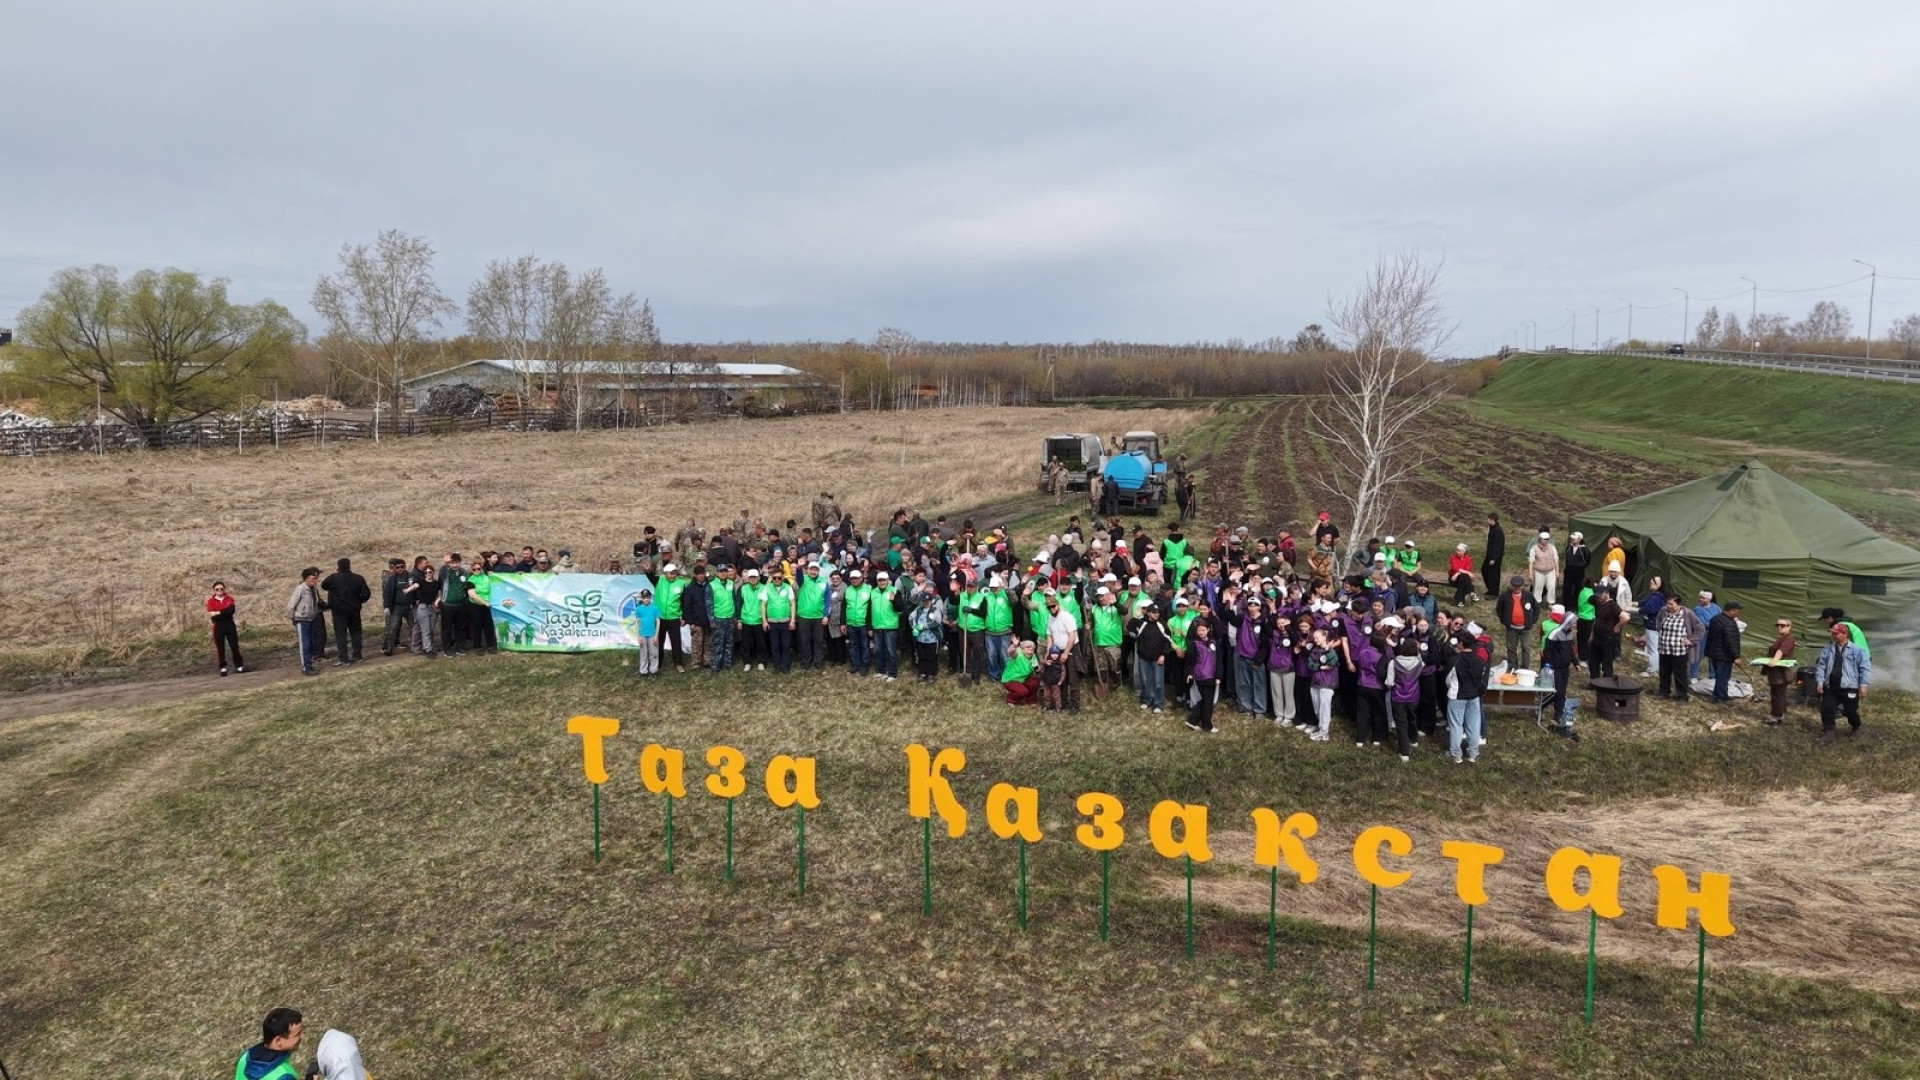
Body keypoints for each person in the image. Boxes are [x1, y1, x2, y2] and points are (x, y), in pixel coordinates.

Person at [1813, 622, 1871, 741]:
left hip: (1850, 686)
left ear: (1845, 634)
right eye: (1832, 634)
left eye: (1836, 634)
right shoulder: (1828, 649)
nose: (1833, 636)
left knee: (1850, 711)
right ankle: (1829, 733)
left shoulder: (1857, 650)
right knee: (1827, 709)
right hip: (1831, 686)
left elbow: (1865, 668)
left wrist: (1863, 685)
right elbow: (1821, 666)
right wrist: (1820, 681)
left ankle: (1856, 727)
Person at [1446, 624, 1489, 764]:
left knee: (1456, 725)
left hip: (1457, 696)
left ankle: (1456, 754)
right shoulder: (1479, 660)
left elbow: (1448, 680)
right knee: (1474, 726)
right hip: (1474, 696)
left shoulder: (1454, 660)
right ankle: (1472, 753)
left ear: (1461, 644)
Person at [236, 1006, 304, 1080]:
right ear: (278, 1041)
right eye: (297, 1034)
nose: (302, 1036)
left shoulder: (245, 1057)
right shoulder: (284, 1076)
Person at [1656, 596, 1696, 702]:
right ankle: (1664, 692)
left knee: (1680, 674)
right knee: (1664, 672)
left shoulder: (1687, 614)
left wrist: (1691, 640)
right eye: (1667, 603)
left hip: (1679, 650)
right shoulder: (1664, 612)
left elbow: (1699, 628)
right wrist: (1659, 630)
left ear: (1679, 604)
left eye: (1671, 604)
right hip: (1665, 648)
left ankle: (1682, 696)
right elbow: (1658, 622)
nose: (1668, 606)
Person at [1705, 600, 1745, 704]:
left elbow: (1710, 637)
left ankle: (1720, 695)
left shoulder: (1716, 618)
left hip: (1714, 653)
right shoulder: (1728, 623)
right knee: (1723, 677)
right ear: (1731, 611)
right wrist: (1736, 657)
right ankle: (1720, 698)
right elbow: (1731, 641)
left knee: (1719, 676)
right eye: (1737, 611)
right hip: (1724, 655)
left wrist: (1708, 651)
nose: (1738, 613)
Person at [287, 568, 325, 676]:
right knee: (305, 645)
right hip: (301, 620)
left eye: (316, 578)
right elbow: (291, 605)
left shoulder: (313, 589)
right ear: (306, 578)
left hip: (311, 619)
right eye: (313, 578)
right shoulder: (300, 589)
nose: (315, 580)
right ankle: (306, 668)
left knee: (311, 644)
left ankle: (309, 664)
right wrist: (293, 619)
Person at [1133, 601, 1170, 712]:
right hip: (1144, 657)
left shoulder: (1162, 623)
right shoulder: (1141, 623)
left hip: (1158, 657)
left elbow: (1167, 640)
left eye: (1157, 612)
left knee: (1158, 682)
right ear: (1148, 613)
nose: (1156, 614)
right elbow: (1130, 628)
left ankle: (1158, 703)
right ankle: (1146, 700)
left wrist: (1163, 654)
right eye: (1154, 612)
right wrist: (1136, 616)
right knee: (1145, 680)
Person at [1185, 618, 1220, 733]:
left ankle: (1194, 720)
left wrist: (1218, 676)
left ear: (1208, 630)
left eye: (1203, 630)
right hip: (1201, 675)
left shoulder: (1214, 642)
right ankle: (1206, 724)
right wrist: (1190, 673)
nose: (1201, 632)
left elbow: (1219, 660)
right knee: (1207, 701)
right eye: (1199, 630)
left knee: (1207, 700)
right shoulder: (1195, 644)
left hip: (1212, 675)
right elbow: (1190, 661)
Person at [1497, 576, 1538, 670]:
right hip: (1511, 628)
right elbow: (1499, 609)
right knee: (1511, 648)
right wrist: (1504, 621)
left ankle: (1525, 668)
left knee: (1526, 648)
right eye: (1515, 586)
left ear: (1522, 586)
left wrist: (1532, 620)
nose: (1517, 588)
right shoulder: (1505, 596)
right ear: (1512, 586)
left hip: (1525, 628)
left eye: (1519, 586)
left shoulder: (1528, 595)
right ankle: (1513, 667)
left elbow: (1537, 607)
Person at [1762, 618, 1797, 724]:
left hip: (1780, 672)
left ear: (1789, 627)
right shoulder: (1783, 637)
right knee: (1780, 693)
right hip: (1777, 671)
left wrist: (1774, 661)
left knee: (1777, 693)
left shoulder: (1789, 638)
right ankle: (1781, 715)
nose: (1779, 627)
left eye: (1783, 625)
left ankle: (1775, 717)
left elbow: (1781, 651)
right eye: (1778, 625)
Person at [707, 563, 739, 673]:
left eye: (725, 571)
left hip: (730, 617)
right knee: (717, 642)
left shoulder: (731, 583)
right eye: (721, 571)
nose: (723, 573)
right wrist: (711, 619)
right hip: (718, 618)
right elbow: (709, 603)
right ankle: (716, 664)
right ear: (717, 573)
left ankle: (727, 663)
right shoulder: (711, 585)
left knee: (729, 641)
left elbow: (734, 600)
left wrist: (735, 615)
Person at [208, 581, 245, 675]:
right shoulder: (211, 601)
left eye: (221, 588)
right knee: (220, 647)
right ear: (214, 590)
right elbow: (212, 614)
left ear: (224, 589)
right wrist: (223, 612)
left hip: (229, 624)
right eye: (217, 589)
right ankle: (223, 667)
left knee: (234, 645)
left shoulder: (229, 598)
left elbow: (231, 611)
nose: (219, 590)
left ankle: (239, 666)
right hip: (218, 625)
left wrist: (218, 613)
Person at [764, 567, 796, 673]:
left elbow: (792, 604)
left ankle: (785, 665)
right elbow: (763, 605)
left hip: (785, 621)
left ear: (782, 577)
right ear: (771, 578)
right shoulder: (767, 588)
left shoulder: (788, 587)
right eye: (774, 578)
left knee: (786, 645)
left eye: (779, 577)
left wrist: (792, 620)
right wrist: (764, 621)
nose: (777, 580)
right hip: (772, 621)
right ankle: (777, 665)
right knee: (775, 646)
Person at [379, 557, 411, 656]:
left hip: (409, 606)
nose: (400, 569)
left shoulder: (410, 577)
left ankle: (416, 646)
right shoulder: (392, 579)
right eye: (398, 567)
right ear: (394, 568)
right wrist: (386, 606)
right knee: (393, 628)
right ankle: (389, 648)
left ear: (405, 566)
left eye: (402, 566)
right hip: (397, 607)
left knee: (414, 627)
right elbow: (387, 593)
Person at [1690, 590, 1721, 680]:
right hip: (1702, 635)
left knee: (1713, 656)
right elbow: (1702, 622)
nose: (1701, 599)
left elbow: (1721, 617)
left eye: (1703, 598)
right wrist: (1717, 625)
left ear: (1709, 599)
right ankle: (1693, 675)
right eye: (1700, 597)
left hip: (1714, 635)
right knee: (1698, 655)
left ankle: (1713, 676)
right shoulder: (1697, 609)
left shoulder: (1716, 607)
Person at [633, 587, 662, 676]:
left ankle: (653, 670)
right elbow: (637, 622)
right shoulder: (639, 609)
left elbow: (658, 622)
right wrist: (638, 636)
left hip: (652, 634)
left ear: (650, 597)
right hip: (642, 634)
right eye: (644, 597)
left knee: (654, 653)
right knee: (643, 654)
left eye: (647, 597)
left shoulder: (655, 608)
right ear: (641, 598)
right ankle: (643, 671)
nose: (646, 599)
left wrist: (656, 636)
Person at [1002, 639, 1040, 705]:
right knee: (1022, 691)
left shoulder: (1033, 657)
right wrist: (1014, 645)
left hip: (1023, 679)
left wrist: (1038, 669)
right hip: (1011, 680)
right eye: (1028, 649)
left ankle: (1031, 700)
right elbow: (1010, 652)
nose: (1030, 652)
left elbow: (1036, 668)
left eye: (1032, 650)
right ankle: (1011, 699)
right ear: (1022, 649)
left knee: (1034, 683)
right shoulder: (1018, 654)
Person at [1528, 530, 1559, 605]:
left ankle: (1551, 603)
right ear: (1540, 539)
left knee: (1552, 587)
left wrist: (1557, 571)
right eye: (1544, 539)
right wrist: (1530, 574)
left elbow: (1556, 560)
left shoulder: (1552, 547)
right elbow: (1531, 562)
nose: (1546, 541)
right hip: (1538, 571)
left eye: (1547, 539)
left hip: (1550, 571)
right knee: (1538, 587)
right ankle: (1537, 604)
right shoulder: (1534, 548)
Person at [1561, 531, 1591, 607]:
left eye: (1573, 539)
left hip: (1579, 572)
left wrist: (1579, 566)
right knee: (1567, 588)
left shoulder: (1584, 549)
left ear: (1579, 539)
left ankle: (1576, 605)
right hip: (1568, 571)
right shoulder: (1569, 548)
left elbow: (1587, 561)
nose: (1572, 540)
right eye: (1571, 538)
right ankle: (1566, 604)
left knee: (1578, 588)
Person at [1481, 513, 1506, 598]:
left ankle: (1494, 592)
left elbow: (1497, 546)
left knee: (1494, 574)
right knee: (1485, 570)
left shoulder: (1497, 530)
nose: (1487, 521)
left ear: (1492, 520)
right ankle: (1491, 589)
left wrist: (1493, 558)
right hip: (1490, 555)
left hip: (1495, 557)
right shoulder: (1493, 529)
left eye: (1488, 519)